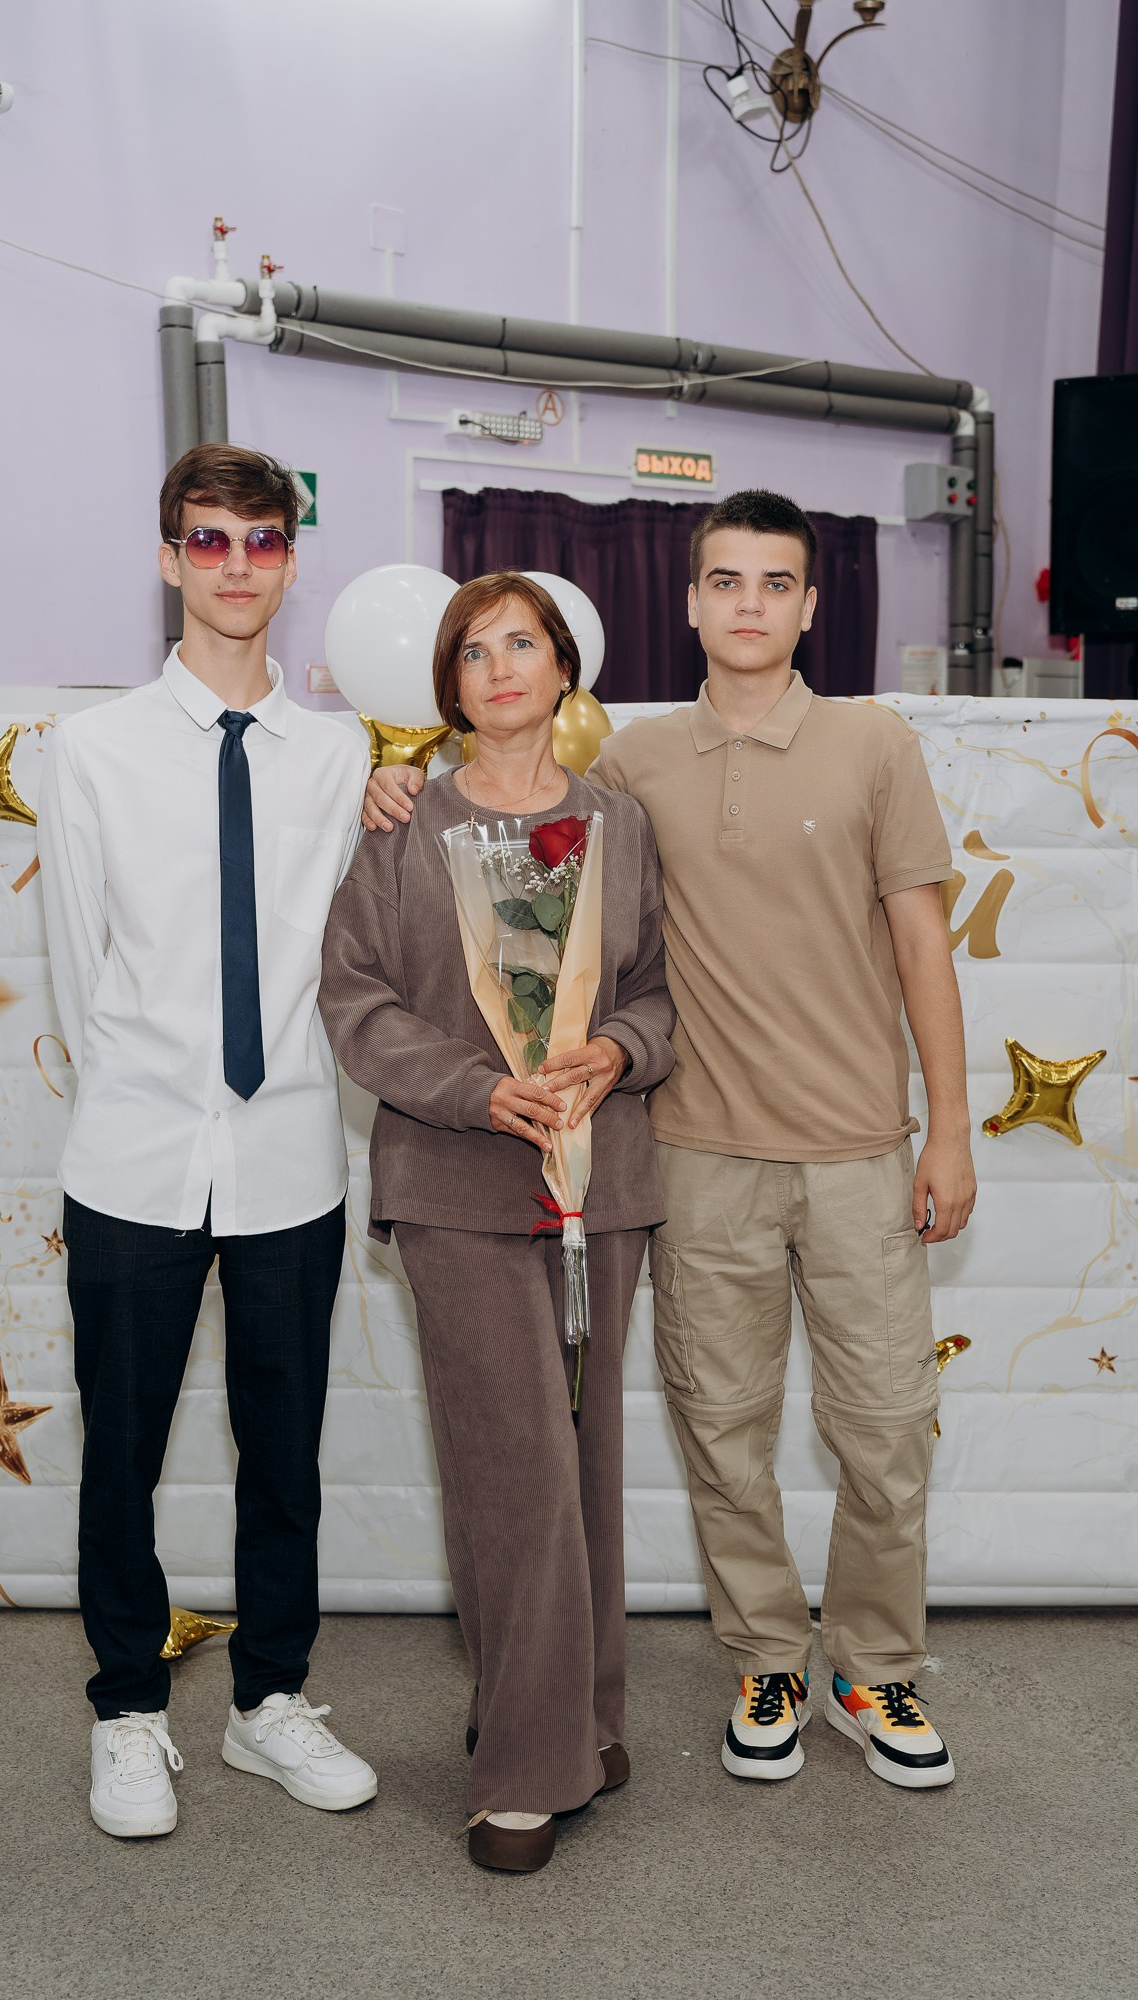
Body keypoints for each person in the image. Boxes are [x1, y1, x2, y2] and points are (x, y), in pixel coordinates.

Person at [362, 491, 975, 1793]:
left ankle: (874, 1666)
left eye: (774, 582)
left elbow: (923, 944)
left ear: (810, 604)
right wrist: (394, 778)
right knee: (723, 1431)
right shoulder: (631, 771)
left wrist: (950, 1132)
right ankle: (764, 1658)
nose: (749, 603)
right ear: (689, 603)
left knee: (885, 1429)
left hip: (860, 1149)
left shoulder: (873, 745)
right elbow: (526, 858)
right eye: (724, 581)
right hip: (693, 1155)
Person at [38, 443, 377, 1840]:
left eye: (263, 540)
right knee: (119, 1450)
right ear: (170, 558)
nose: (237, 565)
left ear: (291, 561)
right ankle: (127, 1707)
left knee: (283, 1451)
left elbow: (357, 949)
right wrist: (148, 1090)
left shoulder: (345, 756)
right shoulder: (92, 750)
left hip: (291, 1153)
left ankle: (268, 1701)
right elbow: (78, 968)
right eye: (210, 540)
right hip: (134, 1154)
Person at [320, 573, 674, 1872]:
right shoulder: (401, 824)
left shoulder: (621, 825)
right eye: (474, 652)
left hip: (602, 1186)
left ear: (564, 667)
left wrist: (620, 1051)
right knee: (512, 1466)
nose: (501, 666)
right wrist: (477, 1090)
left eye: (523, 643)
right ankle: (525, 1769)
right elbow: (353, 1001)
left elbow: (660, 991)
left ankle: (586, 1715)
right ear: (450, 689)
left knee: (584, 1461)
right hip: (454, 1186)